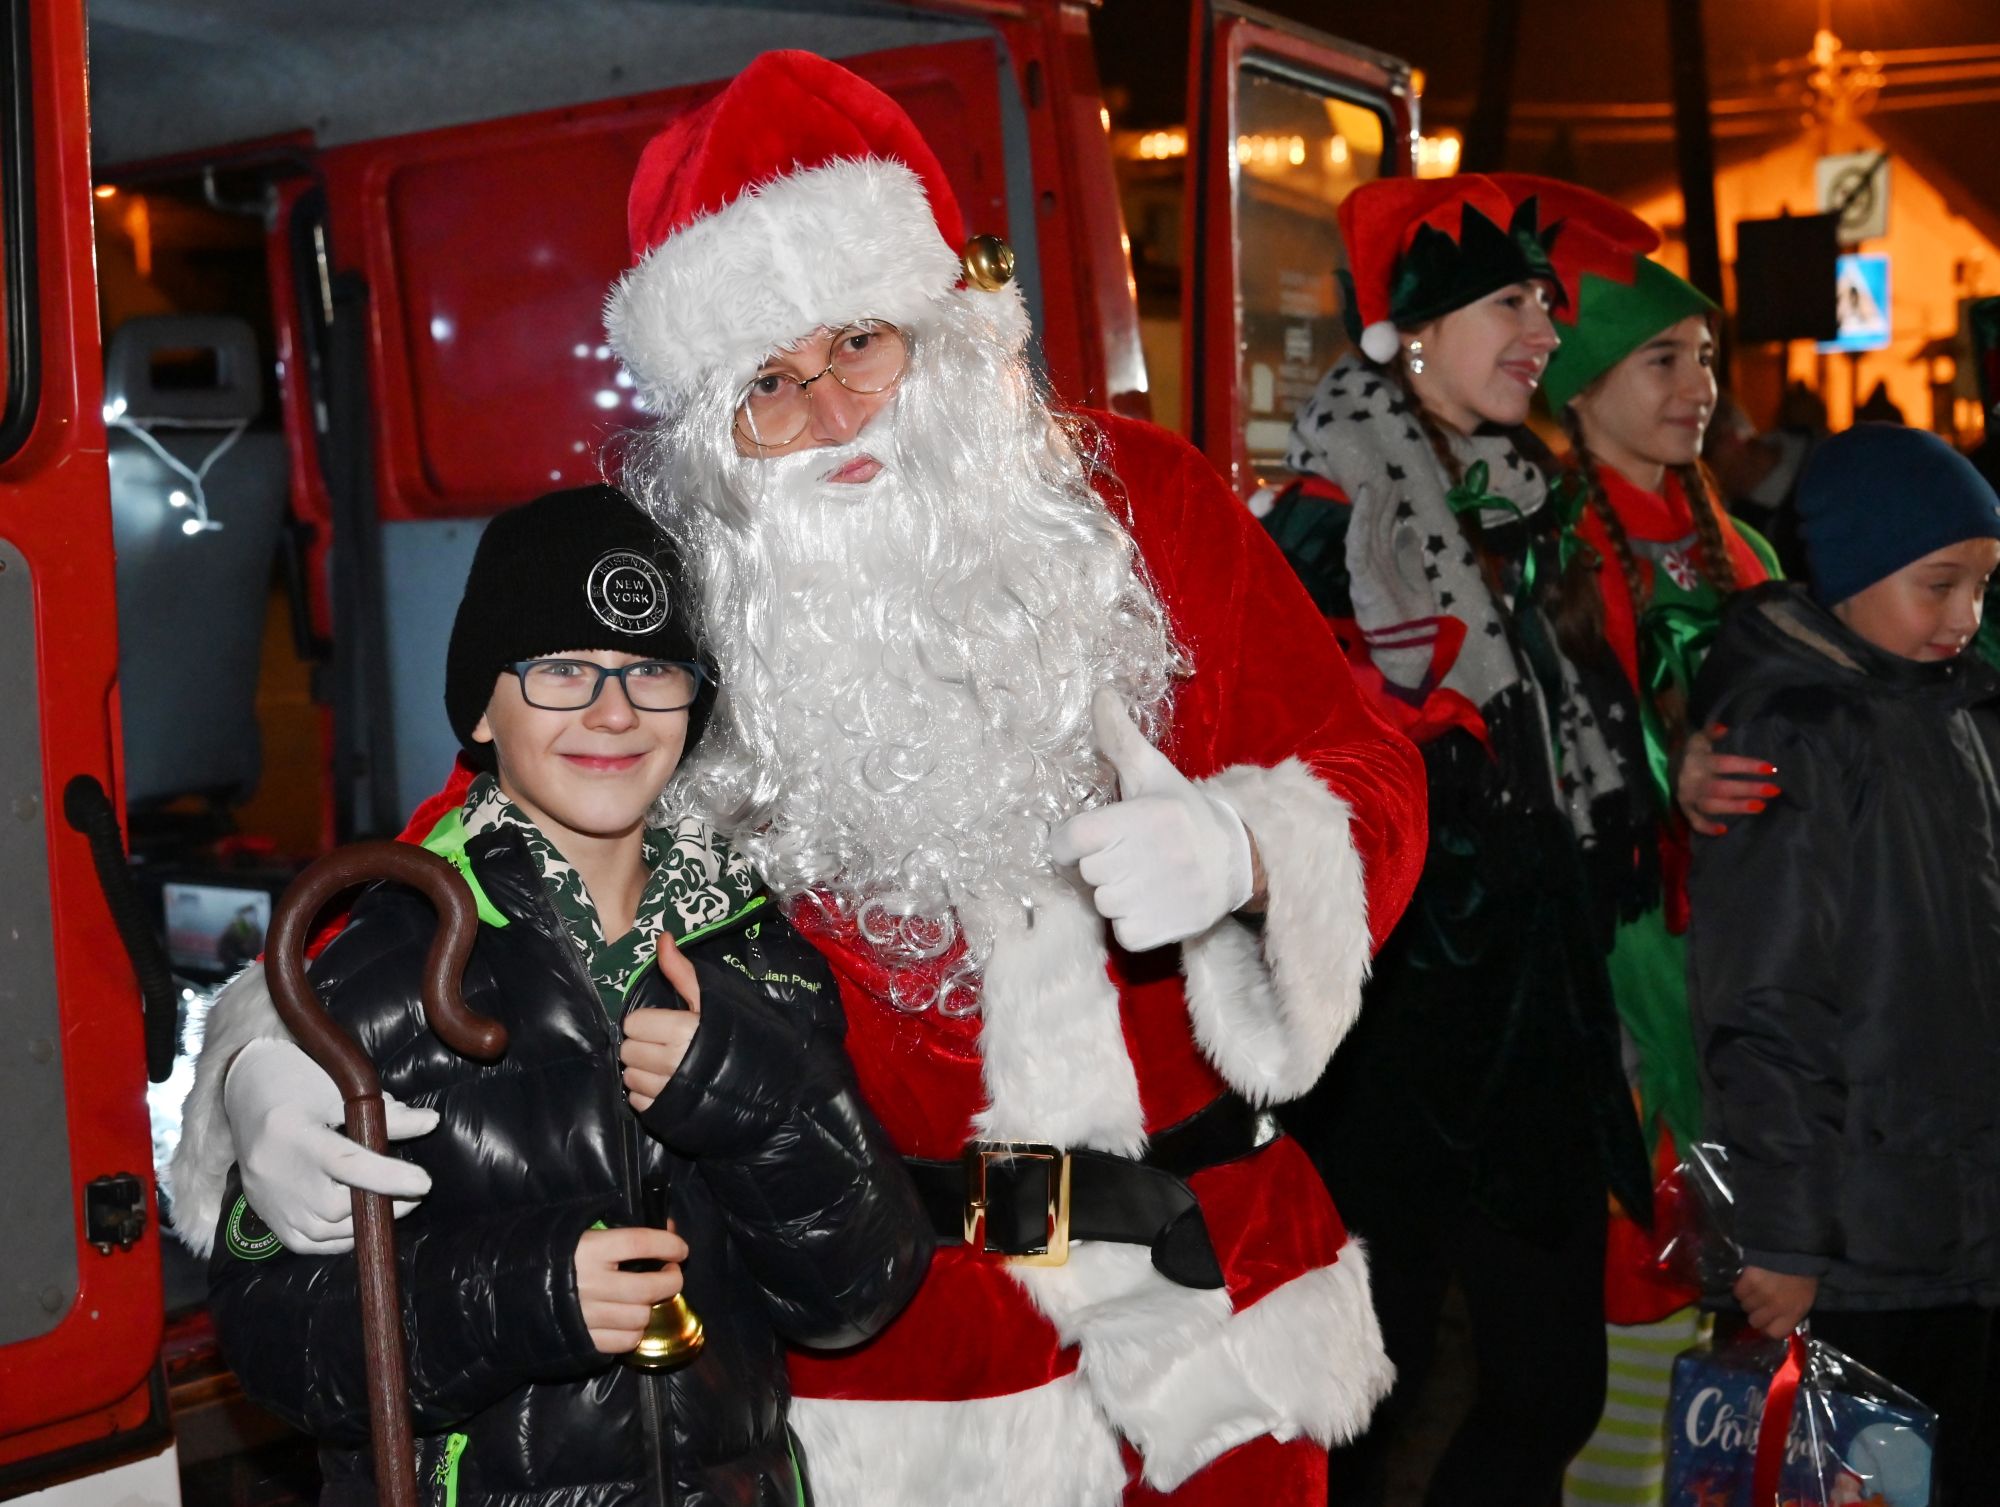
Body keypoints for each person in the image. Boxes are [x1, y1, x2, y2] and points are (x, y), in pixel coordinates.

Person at [169, 50, 1430, 1507]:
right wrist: (273, 1056)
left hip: (1213, 1299)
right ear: (716, 429)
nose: (832, 412)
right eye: (769, 382)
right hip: (895, 1355)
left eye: (858, 345)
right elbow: (470, 841)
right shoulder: (701, 595)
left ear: (944, 329)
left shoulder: (1144, 506)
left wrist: (1246, 847)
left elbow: (1367, 762)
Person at [193, 485, 929, 1506]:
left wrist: (758, 1102)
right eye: (562, 670)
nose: (614, 711)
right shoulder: (385, 963)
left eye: (652, 670)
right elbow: (278, 1344)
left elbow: (854, 1295)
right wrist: (528, 1293)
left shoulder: (756, 946)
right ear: (481, 709)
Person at [1262, 174, 1658, 1502]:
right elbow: (1283, 761)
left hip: (1536, 1005)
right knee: (1370, 1403)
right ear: (1414, 331)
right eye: (1509, 302)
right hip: (1397, 1020)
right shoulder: (1324, 513)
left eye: (1546, 300)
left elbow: (1580, 737)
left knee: (1552, 1385)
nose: (1545, 329)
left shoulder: (1528, 500)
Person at [1688, 424, 2000, 1505]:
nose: (1965, 615)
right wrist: (1781, 1231)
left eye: (1982, 585)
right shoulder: (1794, 733)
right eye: (1937, 584)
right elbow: (1764, 999)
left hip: (1954, 1228)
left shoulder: (1958, 712)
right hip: (1854, 1245)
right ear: (1852, 572)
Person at [1538, 252, 1775, 1503]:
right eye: (1662, 360)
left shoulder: (1734, 543)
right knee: (1639, 1284)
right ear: (1579, 388)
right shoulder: (1549, 548)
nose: (1699, 387)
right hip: (1628, 989)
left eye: (1705, 357)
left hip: (1748, 981)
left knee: (1733, 1317)